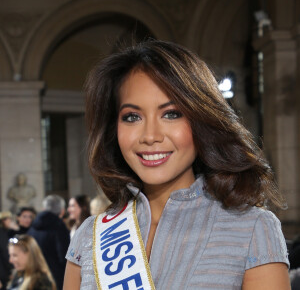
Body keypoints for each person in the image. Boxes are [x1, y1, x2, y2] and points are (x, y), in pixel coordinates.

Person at [63, 40, 290, 289]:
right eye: (132, 117)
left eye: (171, 114)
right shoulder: (90, 236)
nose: (150, 136)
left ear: (201, 120)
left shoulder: (252, 229)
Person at [27, 195, 69, 290]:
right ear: (62, 211)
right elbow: (64, 256)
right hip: (55, 278)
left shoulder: (33, 226)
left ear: (44, 208)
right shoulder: (59, 226)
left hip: (35, 276)